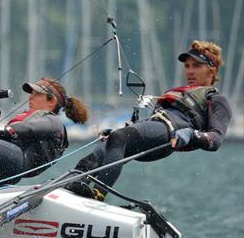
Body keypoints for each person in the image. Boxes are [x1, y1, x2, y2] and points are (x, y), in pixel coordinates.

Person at [66, 40, 232, 201]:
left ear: (212, 70)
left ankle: (97, 195)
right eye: (187, 66)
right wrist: (125, 129)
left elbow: (216, 139)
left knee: (119, 138)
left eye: (196, 66)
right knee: (108, 143)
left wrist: (191, 134)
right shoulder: (179, 93)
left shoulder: (217, 99)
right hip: (156, 129)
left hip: (168, 136)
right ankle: (69, 183)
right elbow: (152, 125)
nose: (189, 71)